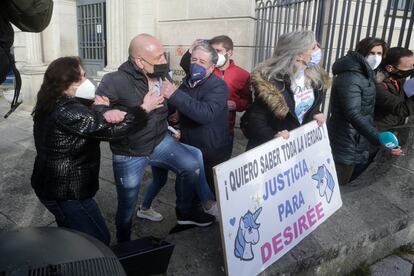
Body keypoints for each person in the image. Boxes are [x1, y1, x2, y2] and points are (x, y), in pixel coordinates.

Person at [95, 34, 215, 243]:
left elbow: (167, 107)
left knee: (192, 164)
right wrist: (104, 112)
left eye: (163, 56)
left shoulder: (162, 74)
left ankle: (186, 213)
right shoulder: (114, 81)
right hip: (130, 152)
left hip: (161, 141)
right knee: (127, 206)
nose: (164, 62)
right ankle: (124, 244)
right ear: (139, 61)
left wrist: (173, 117)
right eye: (158, 58)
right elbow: (98, 111)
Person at [31, 56, 159, 245]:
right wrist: (144, 109)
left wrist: (101, 110)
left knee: (69, 233)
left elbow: (88, 121)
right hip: (67, 192)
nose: (87, 81)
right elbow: (112, 130)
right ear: (66, 83)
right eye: (81, 78)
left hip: (47, 183)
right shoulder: (69, 111)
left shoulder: (50, 101)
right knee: (99, 239)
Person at [328, 37, 403, 186]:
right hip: (345, 141)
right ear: (361, 53)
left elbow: (366, 111)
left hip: (357, 141)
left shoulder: (365, 74)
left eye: (379, 53)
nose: (376, 57)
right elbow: (353, 113)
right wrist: (378, 137)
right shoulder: (351, 77)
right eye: (372, 53)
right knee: (339, 188)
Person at [161, 42, 231, 195]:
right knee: (188, 187)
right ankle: (186, 214)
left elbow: (205, 114)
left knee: (210, 189)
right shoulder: (187, 83)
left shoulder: (218, 86)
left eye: (202, 62)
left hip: (211, 150)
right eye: (194, 60)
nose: (196, 64)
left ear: (212, 68)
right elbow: (176, 107)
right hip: (188, 146)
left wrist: (174, 94)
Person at [241, 30, 329, 150]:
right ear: (299, 54)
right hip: (274, 153)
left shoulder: (315, 77)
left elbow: (303, 108)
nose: (318, 49)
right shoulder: (270, 82)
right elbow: (255, 121)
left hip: (299, 147)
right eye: (314, 47)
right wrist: (273, 137)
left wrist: (315, 114)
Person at [178, 36, 251, 154]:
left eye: (218, 51)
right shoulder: (204, 70)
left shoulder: (243, 75)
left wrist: (236, 104)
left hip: (227, 128)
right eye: (212, 50)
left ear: (229, 52)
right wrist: (192, 48)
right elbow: (186, 63)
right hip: (200, 127)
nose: (215, 54)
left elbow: (248, 101)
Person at [374, 47, 414, 131]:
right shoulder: (377, 85)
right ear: (390, 68)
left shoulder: (396, 77)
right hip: (383, 128)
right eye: (410, 67)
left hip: (397, 120)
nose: (412, 69)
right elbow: (402, 109)